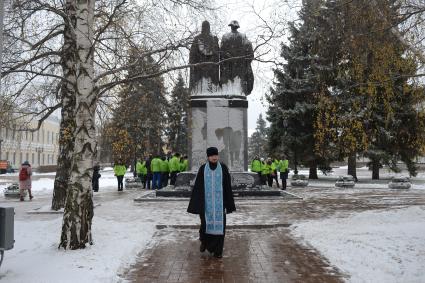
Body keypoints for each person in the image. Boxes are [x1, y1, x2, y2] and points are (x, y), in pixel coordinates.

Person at [187, 147, 236, 258]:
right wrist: (198, 205)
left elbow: (227, 186)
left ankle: (218, 251)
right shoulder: (203, 169)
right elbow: (198, 187)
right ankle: (204, 241)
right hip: (206, 204)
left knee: (220, 227)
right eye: (212, 155)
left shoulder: (223, 168)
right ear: (208, 157)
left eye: (216, 155)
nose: (214, 157)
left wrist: (229, 204)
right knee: (205, 225)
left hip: (220, 204)